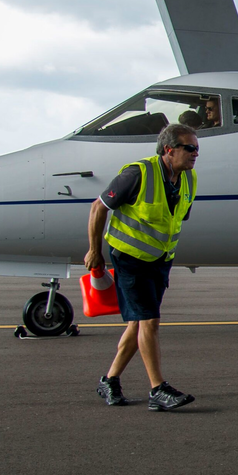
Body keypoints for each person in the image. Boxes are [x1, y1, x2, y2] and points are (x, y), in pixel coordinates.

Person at [87, 123, 200, 411]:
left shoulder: (189, 179)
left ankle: (109, 380)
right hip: (129, 258)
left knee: (138, 322)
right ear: (169, 149)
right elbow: (98, 207)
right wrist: (94, 251)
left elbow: (176, 218)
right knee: (149, 321)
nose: (195, 153)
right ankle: (157, 390)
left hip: (160, 261)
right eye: (189, 148)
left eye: (197, 148)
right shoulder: (138, 173)